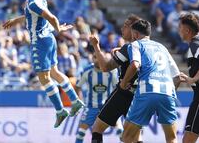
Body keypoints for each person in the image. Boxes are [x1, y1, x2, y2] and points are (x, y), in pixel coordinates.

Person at [3, 0, 84, 128]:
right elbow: (31, 15)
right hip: (48, 39)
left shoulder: (33, 2)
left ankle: (60, 110)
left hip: (40, 42)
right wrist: (15, 20)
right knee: (54, 72)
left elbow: (51, 17)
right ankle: (75, 101)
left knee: (43, 77)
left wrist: (59, 28)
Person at [119, 20, 182, 143]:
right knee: (172, 138)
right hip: (167, 93)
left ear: (136, 34)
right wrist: (169, 93)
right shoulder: (162, 47)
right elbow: (178, 77)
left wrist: (123, 83)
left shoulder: (136, 44)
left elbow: (135, 65)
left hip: (146, 91)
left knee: (127, 136)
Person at [89, 14, 142, 143]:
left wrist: (96, 46)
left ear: (134, 30)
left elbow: (105, 67)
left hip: (123, 93)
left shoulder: (128, 48)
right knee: (136, 137)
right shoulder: (147, 48)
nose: (122, 29)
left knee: (97, 128)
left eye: (125, 26)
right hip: (139, 95)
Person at [178, 13, 199, 143]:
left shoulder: (195, 44)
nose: (178, 30)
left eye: (180, 27)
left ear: (187, 30)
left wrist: (193, 79)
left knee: (188, 140)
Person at [75, 52, 119, 143]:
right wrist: (78, 100)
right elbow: (78, 86)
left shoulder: (112, 70)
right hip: (91, 106)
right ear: (92, 59)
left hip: (107, 106)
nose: (97, 59)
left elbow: (117, 87)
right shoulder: (87, 71)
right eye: (95, 57)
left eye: (99, 57)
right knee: (81, 131)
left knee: (120, 129)